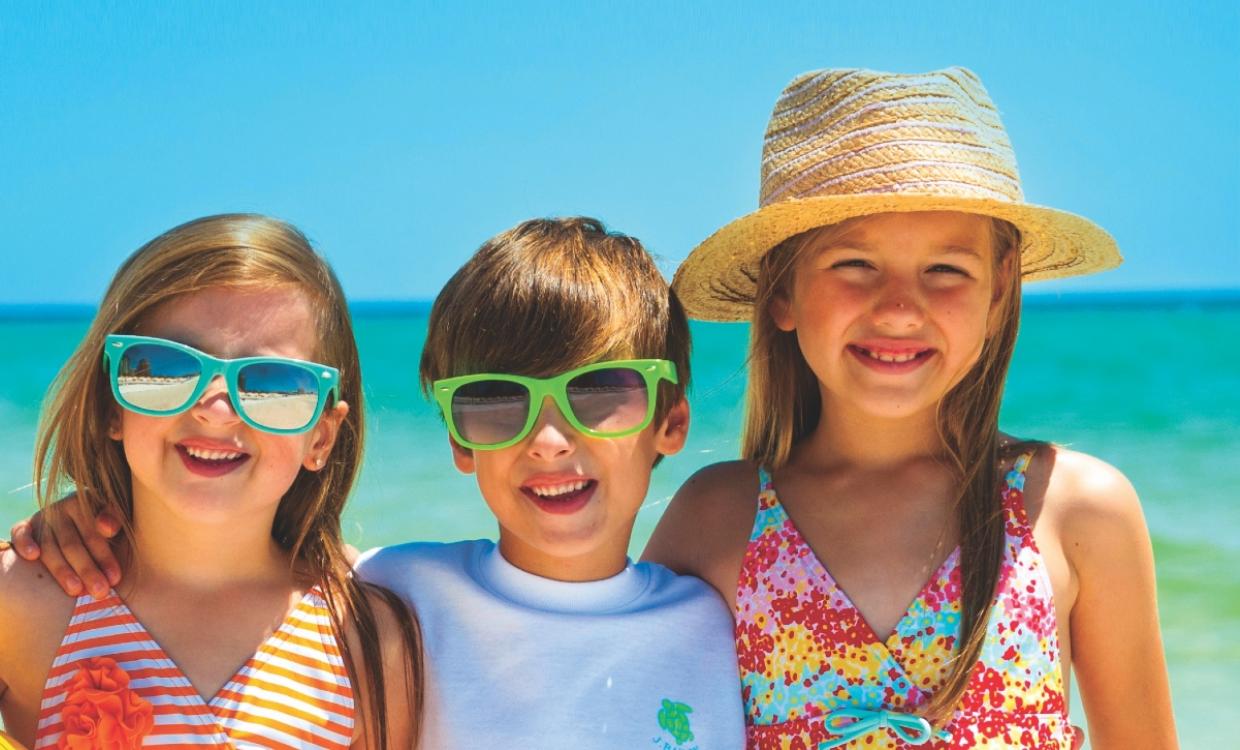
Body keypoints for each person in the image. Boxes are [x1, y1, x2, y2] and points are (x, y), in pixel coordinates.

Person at [646, 68, 1177, 749]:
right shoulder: (718, 519)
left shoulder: (1074, 508)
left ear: (998, 289)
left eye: (946, 270)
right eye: (854, 265)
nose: (899, 307)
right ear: (781, 290)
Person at [0, 215, 421, 749]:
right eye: (167, 369)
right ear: (112, 403)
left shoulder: (365, 637)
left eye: (272, 382)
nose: (216, 409)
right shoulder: (24, 602)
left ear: (321, 436)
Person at [356, 217, 744, 748]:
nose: (549, 439)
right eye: (496, 399)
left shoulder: (722, 628)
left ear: (671, 422)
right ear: (460, 440)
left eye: (599, 392)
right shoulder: (396, 589)